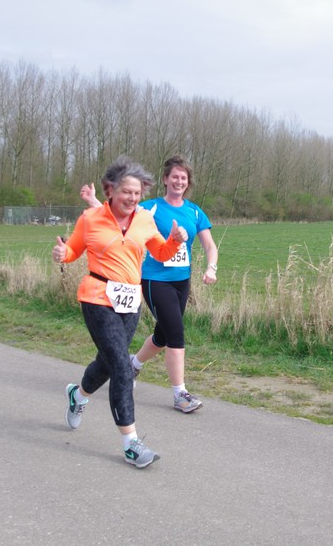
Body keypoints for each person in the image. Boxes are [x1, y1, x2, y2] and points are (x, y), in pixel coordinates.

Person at [53, 156, 188, 469]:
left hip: (130, 301)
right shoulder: (90, 218)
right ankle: (131, 443)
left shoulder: (145, 221)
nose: (132, 198)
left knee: (107, 363)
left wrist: (175, 240)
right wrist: (62, 253)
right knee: (122, 367)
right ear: (110, 190)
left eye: (137, 193)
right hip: (97, 297)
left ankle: (78, 395)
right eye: (127, 191)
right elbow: (73, 250)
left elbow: (161, 253)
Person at [81, 155, 218, 413]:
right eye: (174, 177)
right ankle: (180, 395)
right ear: (165, 179)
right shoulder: (150, 208)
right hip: (155, 280)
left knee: (163, 336)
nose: (179, 181)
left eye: (183, 178)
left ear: (187, 182)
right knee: (176, 334)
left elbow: (210, 245)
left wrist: (211, 268)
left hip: (181, 281)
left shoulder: (194, 211)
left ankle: (134, 365)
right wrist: (93, 201)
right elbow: (116, 218)